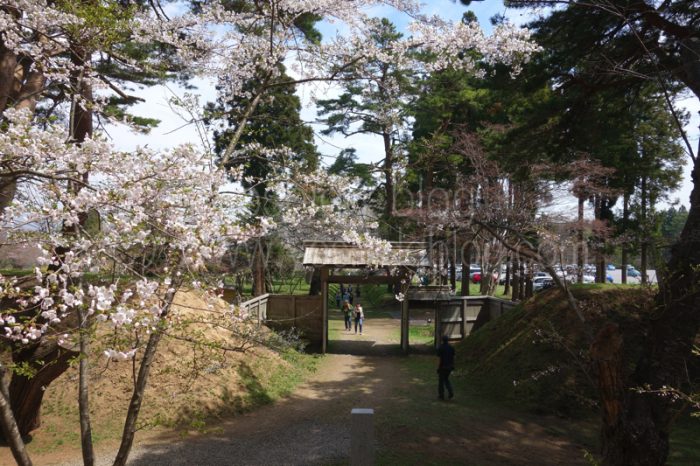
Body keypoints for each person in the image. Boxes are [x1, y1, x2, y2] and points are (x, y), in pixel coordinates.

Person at [437, 335, 455, 400]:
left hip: (443, 367)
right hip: (449, 366)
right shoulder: (451, 347)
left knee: (441, 381)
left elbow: (440, 359)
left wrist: (438, 367)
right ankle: (450, 392)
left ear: (442, 340)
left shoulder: (441, 348)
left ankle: (441, 395)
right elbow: (453, 357)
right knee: (446, 379)